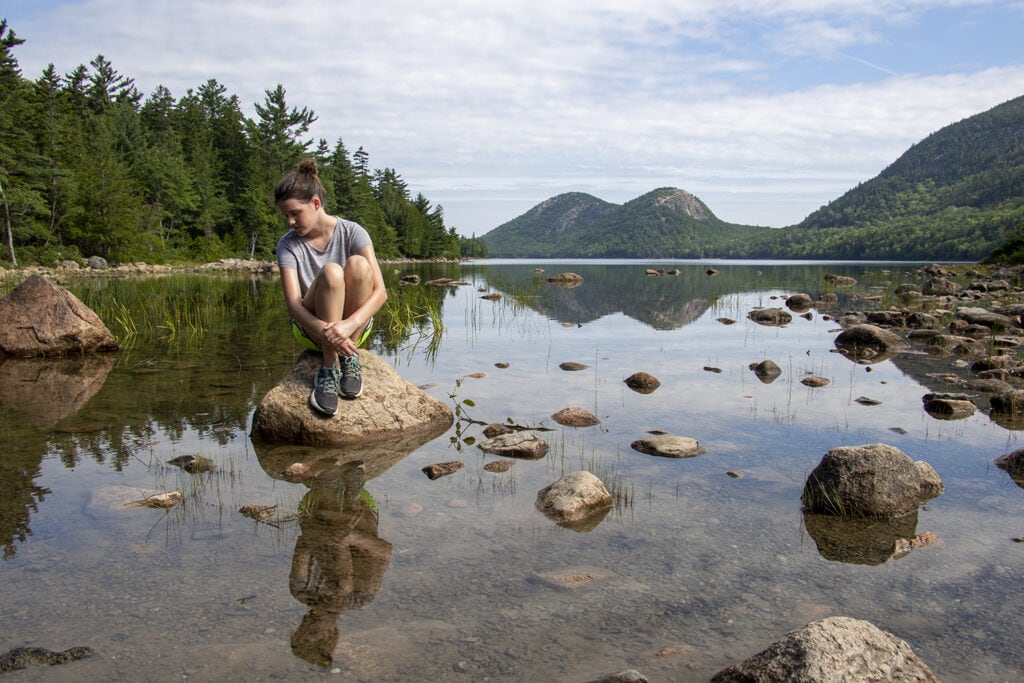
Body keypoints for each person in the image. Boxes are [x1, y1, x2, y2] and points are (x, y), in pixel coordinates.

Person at [275, 159, 387, 417]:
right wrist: (330, 331)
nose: (290, 222)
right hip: (312, 328)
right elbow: (293, 305)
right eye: (286, 216)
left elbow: (381, 292)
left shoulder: (353, 232)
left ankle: (350, 358)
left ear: (316, 203)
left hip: (355, 329)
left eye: (295, 213)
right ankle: (329, 367)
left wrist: (348, 326)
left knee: (358, 265)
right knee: (331, 272)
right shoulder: (287, 245)